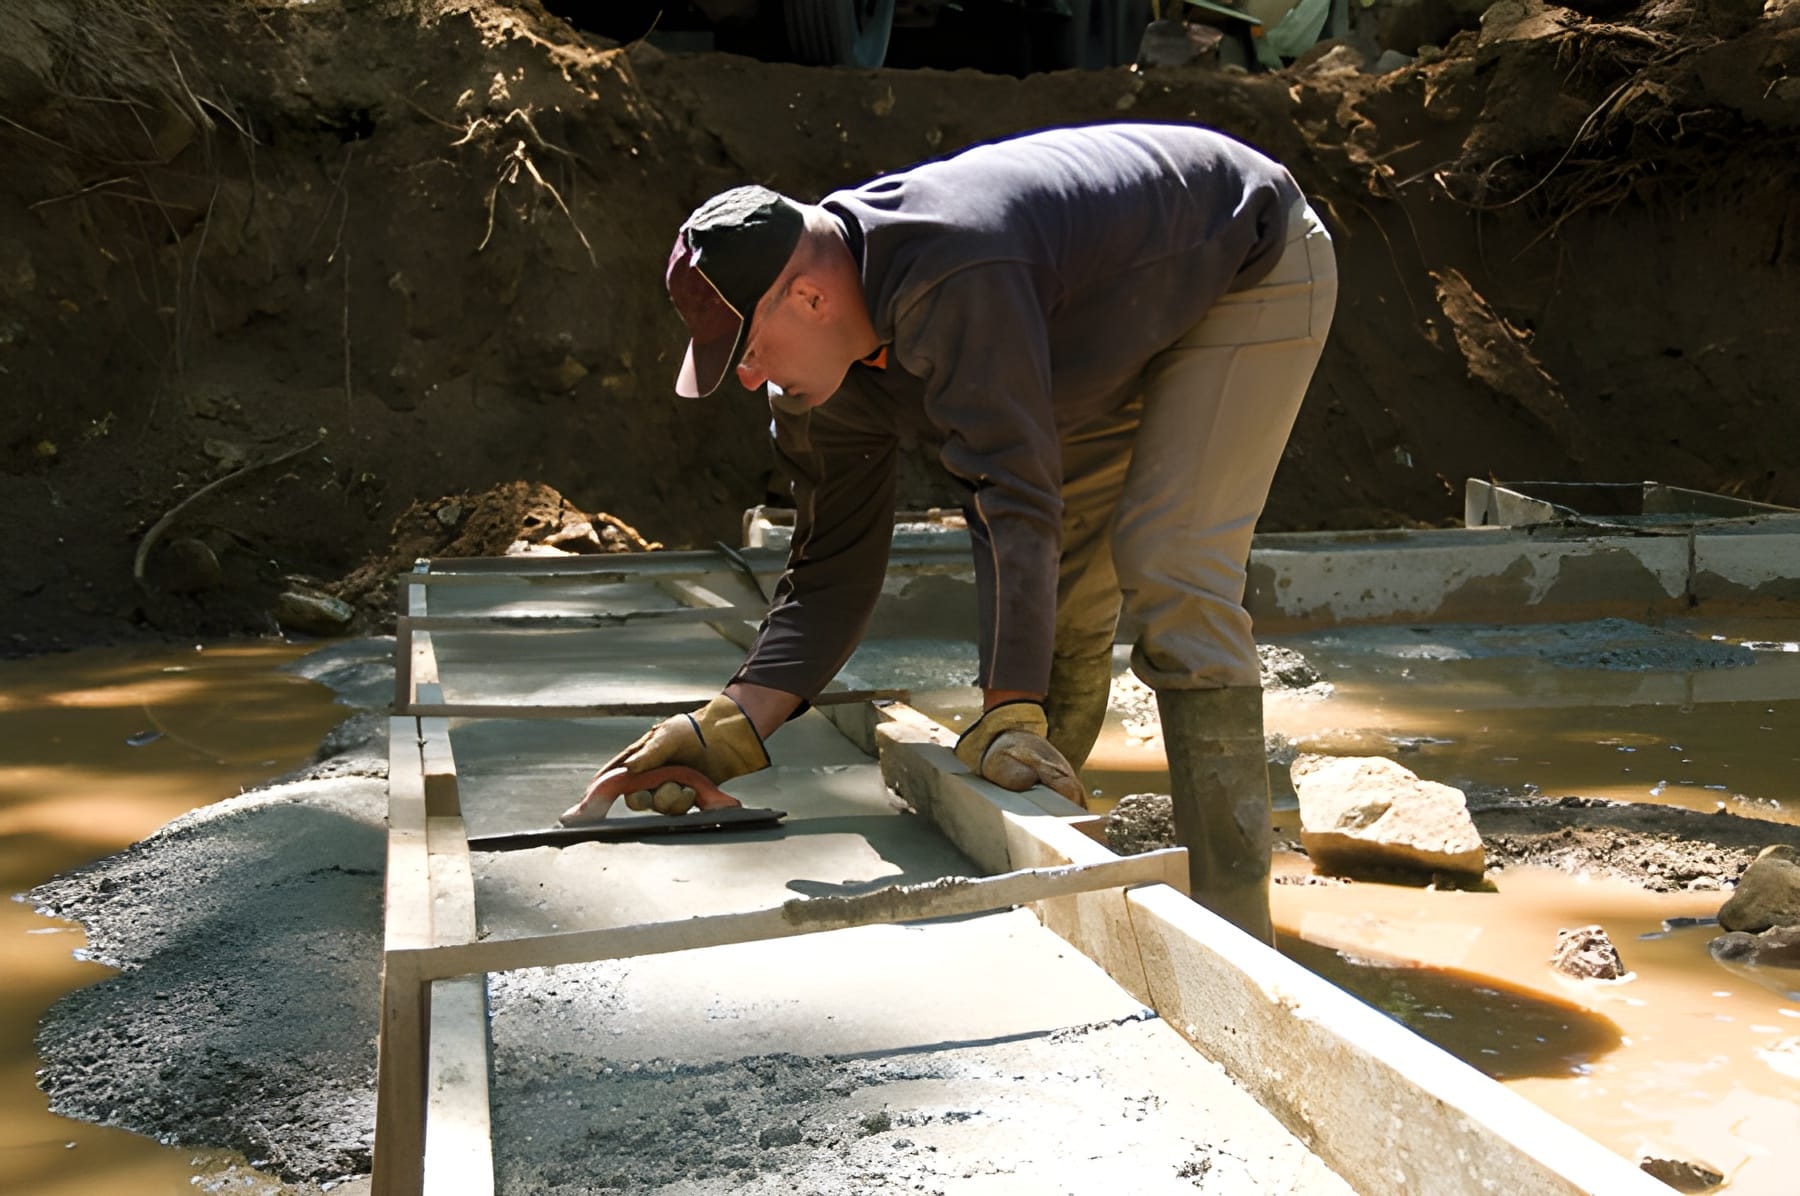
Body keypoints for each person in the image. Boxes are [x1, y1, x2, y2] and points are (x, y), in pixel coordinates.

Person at [563, 122, 1337, 944]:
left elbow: (1010, 488)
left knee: (1168, 562)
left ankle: (1237, 921)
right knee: (1067, 603)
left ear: (812, 298)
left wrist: (1006, 710)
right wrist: (728, 727)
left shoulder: (957, 271)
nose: (748, 377)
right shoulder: (819, 376)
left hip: (1242, 260)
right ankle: (1043, 872)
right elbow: (829, 564)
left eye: (749, 349)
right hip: (1093, 325)